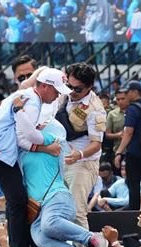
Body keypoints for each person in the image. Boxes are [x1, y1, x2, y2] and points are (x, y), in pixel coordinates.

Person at [0, 68, 70, 247]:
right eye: (56, 91)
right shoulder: (33, 102)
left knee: (19, 200)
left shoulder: (26, 95)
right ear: (44, 86)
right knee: (18, 201)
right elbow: (25, 137)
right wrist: (47, 145)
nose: (57, 96)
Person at [20, 118, 109, 247]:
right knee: (39, 238)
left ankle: (91, 238)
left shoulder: (54, 142)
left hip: (57, 197)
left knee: (49, 224)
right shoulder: (22, 151)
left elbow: (39, 135)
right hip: (38, 207)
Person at [55, 62, 107, 229]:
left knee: (77, 211)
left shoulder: (96, 109)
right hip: (60, 158)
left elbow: (97, 144)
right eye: (69, 86)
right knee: (56, 208)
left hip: (82, 164)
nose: (72, 91)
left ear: (89, 87)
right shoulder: (64, 95)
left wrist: (80, 155)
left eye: (78, 89)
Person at [114, 81, 141, 210]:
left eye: (127, 92)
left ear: (134, 92)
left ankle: (133, 217)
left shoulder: (132, 108)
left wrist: (119, 152)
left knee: (134, 186)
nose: (126, 95)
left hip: (135, 153)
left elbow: (128, 132)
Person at [105, 88, 129, 159]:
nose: (120, 101)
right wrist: (118, 135)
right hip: (118, 151)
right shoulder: (112, 114)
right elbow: (107, 134)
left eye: (123, 99)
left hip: (133, 151)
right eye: (118, 99)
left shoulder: (133, 112)